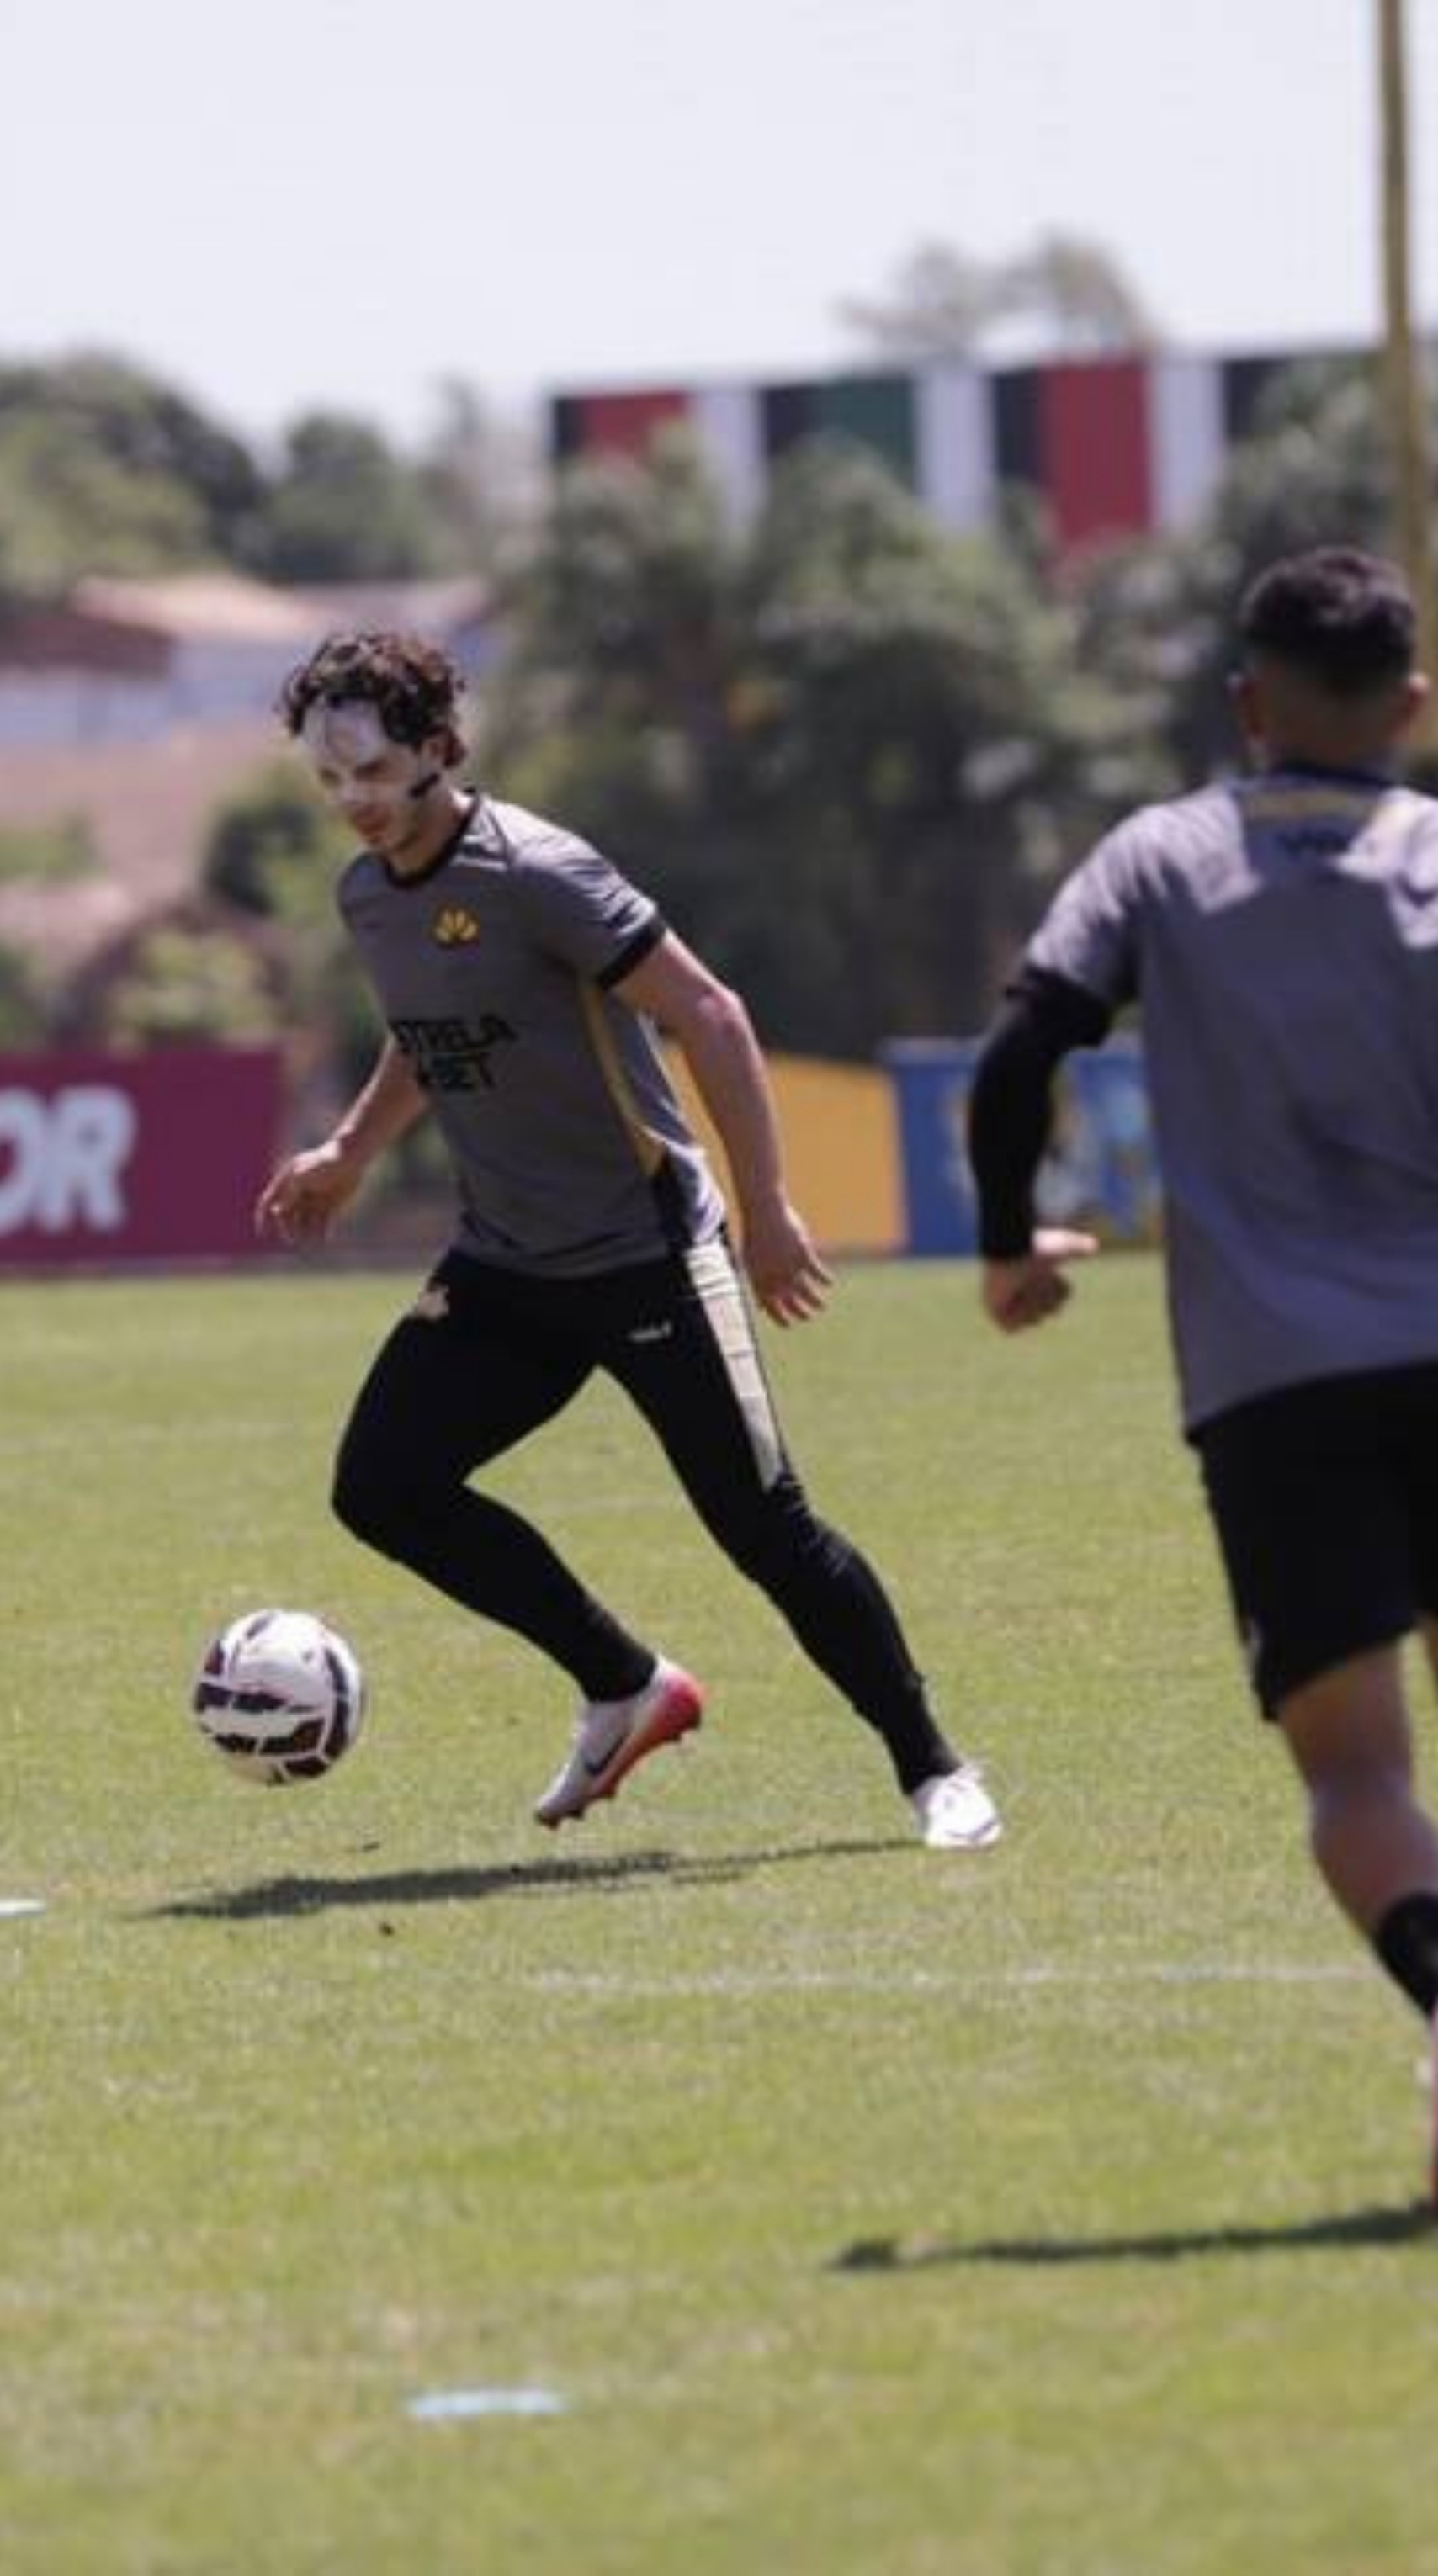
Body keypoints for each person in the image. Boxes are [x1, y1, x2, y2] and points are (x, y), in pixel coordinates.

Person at [962, 546, 1438, 2243]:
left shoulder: (1159, 859)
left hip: (1269, 1373)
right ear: (1410, 702)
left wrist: (1009, 1236)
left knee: (1356, 1766)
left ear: (1248, 701)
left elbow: (1023, 1051)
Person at [254, 629, 999, 1851]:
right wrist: (348, 1151)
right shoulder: (364, 895)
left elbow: (710, 1012)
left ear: (441, 750)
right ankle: (623, 1683)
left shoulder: (536, 872)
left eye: (374, 775)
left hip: (647, 1253)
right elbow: (424, 1036)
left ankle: (934, 1769)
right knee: (382, 1486)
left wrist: (763, 1211)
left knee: (766, 1531)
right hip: (506, 1261)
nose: (353, 804)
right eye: (330, 782)